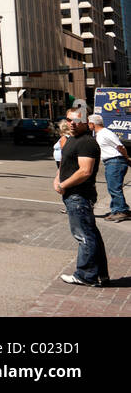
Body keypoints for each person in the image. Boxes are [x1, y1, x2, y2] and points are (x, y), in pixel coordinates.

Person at [55, 107, 110, 287]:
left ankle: (86, 275)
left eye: (76, 120)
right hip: (74, 195)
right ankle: (100, 274)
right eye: (69, 119)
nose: (71, 123)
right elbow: (65, 164)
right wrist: (57, 178)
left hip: (79, 196)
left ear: (87, 122)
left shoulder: (86, 142)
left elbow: (85, 171)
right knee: (90, 234)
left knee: (84, 236)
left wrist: (63, 185)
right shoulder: (73, 139)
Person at [89, 114, 131, 222]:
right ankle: (117, 210)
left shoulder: (105, 133)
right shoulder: (100, 134)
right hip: (112, 162)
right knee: (113, 187)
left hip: (115, 161)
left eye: (89, 123)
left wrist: (127, 158)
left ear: (92, 124)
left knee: (114, 188)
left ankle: (121, 211)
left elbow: (120, 146)